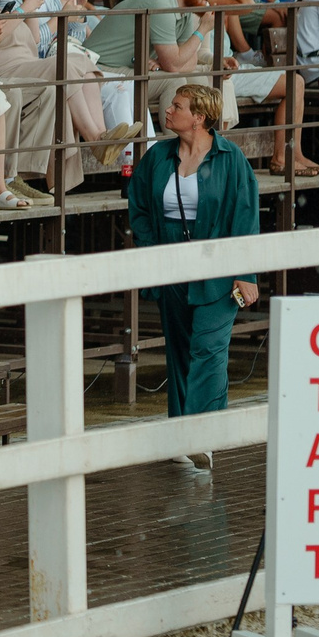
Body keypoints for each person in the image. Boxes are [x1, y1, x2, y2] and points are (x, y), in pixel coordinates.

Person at [126, 82, 262, 456]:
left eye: (178, 106)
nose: (168, 111)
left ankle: (201, 437)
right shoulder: (158, 156)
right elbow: (137, 205)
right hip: (170, 262)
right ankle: (181, 436)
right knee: (180, 350)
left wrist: (246, 273)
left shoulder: (230, 158)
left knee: (209, 349)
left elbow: (246, 216)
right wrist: (150, 251)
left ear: (199, 117)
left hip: (218, 264)